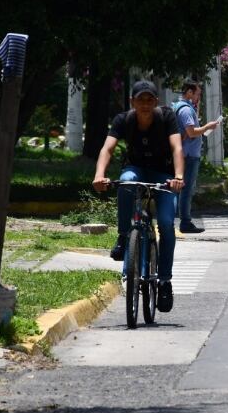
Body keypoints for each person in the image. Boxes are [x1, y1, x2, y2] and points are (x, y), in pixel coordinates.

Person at [92, 80, 184, 312]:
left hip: (164, 174)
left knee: (166, 223)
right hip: (136, 169)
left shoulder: (166, 117)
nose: (145, 104)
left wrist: (179, 176)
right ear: (132, 101)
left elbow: (177, 148)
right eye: (140, 99)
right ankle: (124, 236)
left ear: (156, 101)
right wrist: (99, 175)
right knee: (126, 182)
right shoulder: (123, 120)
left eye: (149, 99)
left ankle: (164, 281)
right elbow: (107, 148)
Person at [174, 79, 218, 234]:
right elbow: (191, 132)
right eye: (197, 94)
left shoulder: (182, 107)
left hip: (186, 153)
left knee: (182, 188)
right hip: (188, 155)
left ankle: (181, 220)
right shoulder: (186, 110)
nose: (199, 97)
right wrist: (207, 127)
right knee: (186, 190)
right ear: (189, 92)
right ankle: (185, 222)